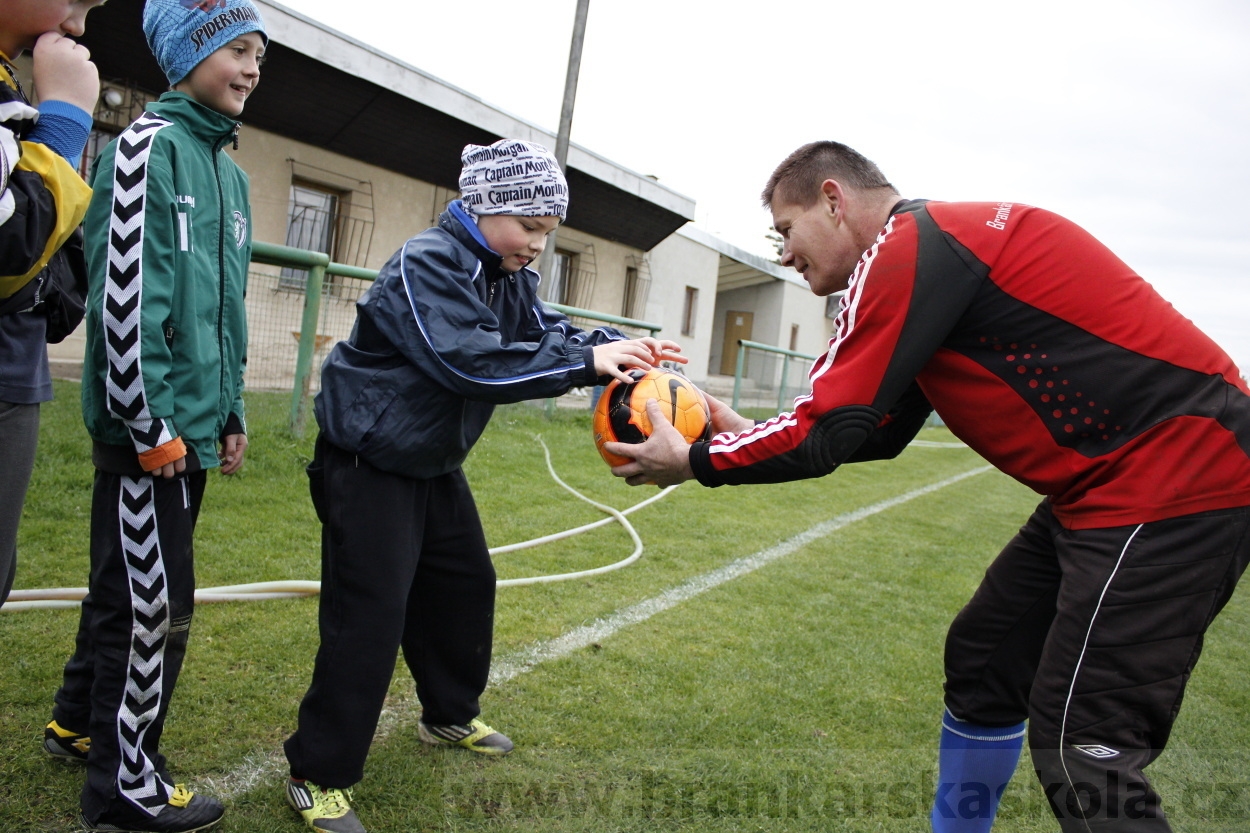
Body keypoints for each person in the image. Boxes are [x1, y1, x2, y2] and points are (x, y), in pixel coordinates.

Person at [607, 140, 1250, 833]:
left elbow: (829, 431)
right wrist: (736, 429)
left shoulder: (911, 247)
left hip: (1177, 478)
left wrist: (695, 460)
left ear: (833, 199)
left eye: (786, 231)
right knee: (984, 660)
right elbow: (875, 428)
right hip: (1103, 491)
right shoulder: (929, 260)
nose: (784, 255)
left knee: (1084, 745)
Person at [282, 138, 685, 833]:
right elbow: (470, 362)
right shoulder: (426, 263)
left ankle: (447, 714)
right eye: (529, 227)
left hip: (432, 460)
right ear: (486, 206)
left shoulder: (506, 273)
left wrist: (613, 344)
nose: (537, 244)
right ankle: (317, 773)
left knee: (465, 583)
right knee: (369, 615)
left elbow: (540, 335)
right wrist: (588, 361)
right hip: (369, 462)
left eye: (547, 233)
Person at [44, 1, 266, 830]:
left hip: (195, 428)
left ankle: (75, 723)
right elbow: (126, 301)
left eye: (259, 56)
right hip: (151, 435)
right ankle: (124, 786)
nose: (250, 68)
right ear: (188, 53)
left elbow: (227, 310)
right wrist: (151, 425)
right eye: (236, 50)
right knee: (155, 608)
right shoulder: (146, 149)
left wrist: (233, 409)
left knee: (124, 587)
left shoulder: (231, 173)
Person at [0, 0, 106, 609]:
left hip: (17, 370)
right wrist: (64, 121)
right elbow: (12, 240)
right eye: (74, 1)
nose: (77, 25)